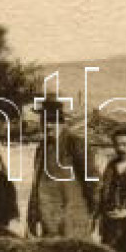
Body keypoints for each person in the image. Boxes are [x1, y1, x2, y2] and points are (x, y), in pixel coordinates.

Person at [26, 98, 96, 241]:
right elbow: (36, 183)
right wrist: (32, 215)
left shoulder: (74, 144)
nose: (48, 125)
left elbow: (92, 179)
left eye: (53, 121)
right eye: (44, 121)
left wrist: (93, 211)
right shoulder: (42, 148)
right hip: (48, 219)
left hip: (72, 219)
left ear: (62, 122)